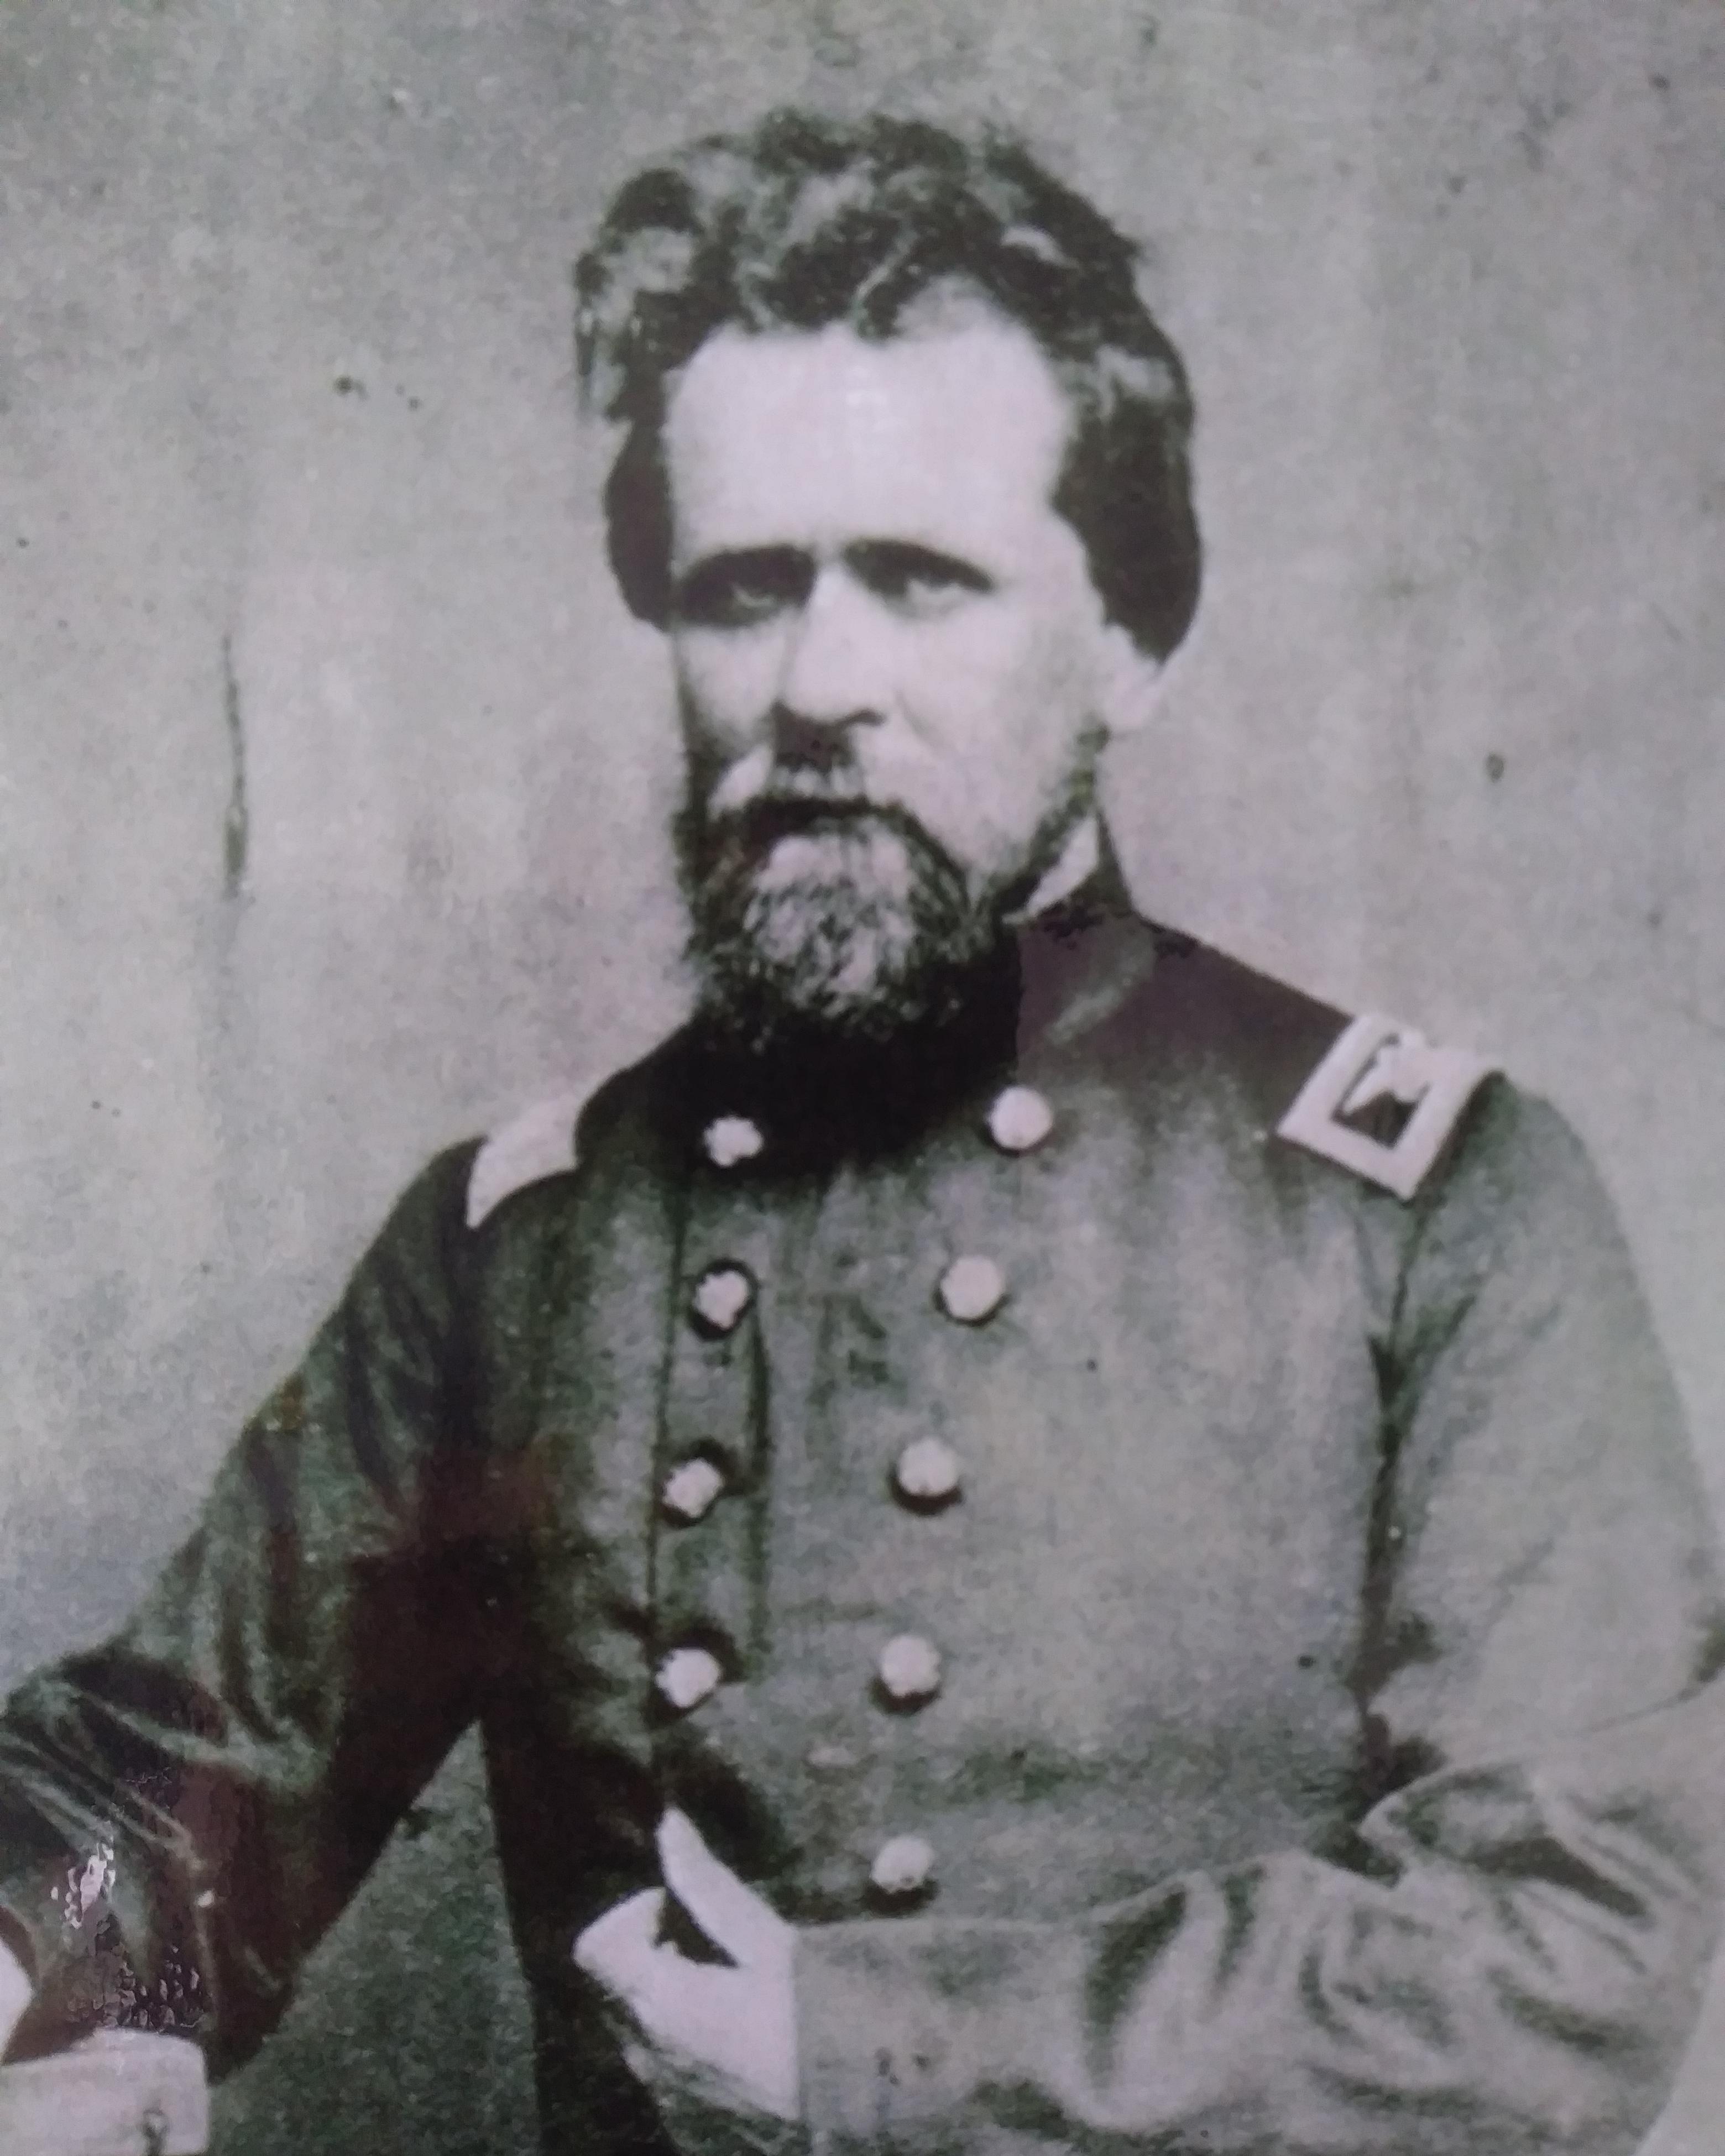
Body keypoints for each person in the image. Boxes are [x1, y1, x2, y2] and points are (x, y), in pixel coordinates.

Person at [0, 105, 1722, 2156]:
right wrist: (24, 1951)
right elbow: (176, 1788)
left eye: (920, 581)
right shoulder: (522, 1238)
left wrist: (870, 2054)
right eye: (743, 590)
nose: (818, 682)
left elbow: (1560, 1945)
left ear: (1135, 639)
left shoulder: (1432, 1209)